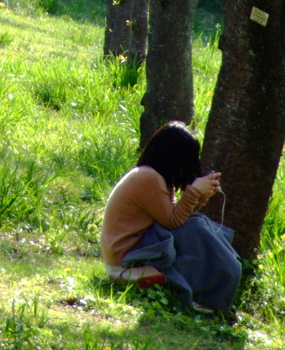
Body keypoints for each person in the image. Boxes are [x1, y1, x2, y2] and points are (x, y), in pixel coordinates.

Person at [100, 121, 241, 312]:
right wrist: (192, 192)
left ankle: (218, 280)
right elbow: (172, 222)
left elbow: (175, 219)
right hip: (127, 256)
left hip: (135, 247)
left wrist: (200, 197)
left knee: (197, 224)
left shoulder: (153, 177)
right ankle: (215, 286)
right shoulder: (149, 178)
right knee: (196, 227)